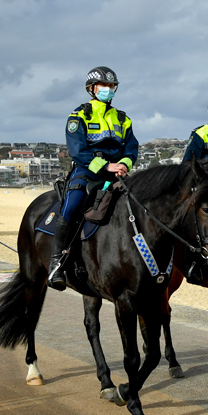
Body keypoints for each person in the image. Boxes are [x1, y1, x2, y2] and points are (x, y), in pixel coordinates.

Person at [47, 66, 139, 291]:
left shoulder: (122, 118)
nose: (108, 90)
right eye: (104, 86)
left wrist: (124, 165)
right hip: (87, 171)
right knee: (71, 206)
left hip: (117, 172)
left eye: (111, 86)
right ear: (91, 89)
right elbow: (77, 150)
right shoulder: (78, 116)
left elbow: (132, 148)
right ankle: (57, 262)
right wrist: (106, 166)